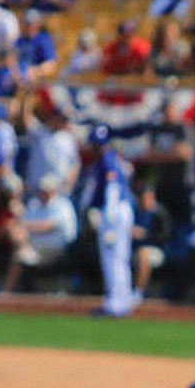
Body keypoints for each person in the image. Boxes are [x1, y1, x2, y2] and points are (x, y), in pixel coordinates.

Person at [84, 124, 135, 318]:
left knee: (113, 258)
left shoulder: (107, 159)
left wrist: (110, 220)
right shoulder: (113, 157)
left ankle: (115, 303)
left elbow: (112, 189)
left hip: (114, 212)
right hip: (120, 211)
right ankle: (122, 300)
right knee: (120, 257)